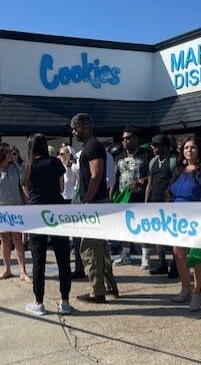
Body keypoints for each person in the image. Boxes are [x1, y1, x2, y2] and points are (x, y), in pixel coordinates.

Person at [70, 113, 118, 303]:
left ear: (86, 127)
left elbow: (96, 175)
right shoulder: (91, 147)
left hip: (94, 204)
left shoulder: (93, 146)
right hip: (95, 203)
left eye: (76, 128)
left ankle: (97, 292)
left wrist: (87, 201)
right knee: (100, 249)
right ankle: (110, 287)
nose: (73, 132)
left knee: (89, 249)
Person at [168, 135, 201, 312]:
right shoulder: (178, 171)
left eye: (193, 148)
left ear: (199, 151)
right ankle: (185, 287)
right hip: (177, 219)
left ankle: (198, 291)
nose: (189, 150)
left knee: (196, 255)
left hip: (197, 219)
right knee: (178, 253)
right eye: (186, 148)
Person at [23, 134, 72, 315]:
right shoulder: (55, 163)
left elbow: (26, 189)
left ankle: (39, 301)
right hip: (57, 211)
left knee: (38, 258)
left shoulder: (27, 165)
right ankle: (65, 301)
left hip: (36, 212)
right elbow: (61, 187)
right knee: (63, 257)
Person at [0, 142, 31, 282]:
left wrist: (26, 205)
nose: (12, 154)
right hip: (0, 211)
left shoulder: (16, 167)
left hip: (16, 209)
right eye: (9, 152)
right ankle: (7, 269)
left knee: (17, 239)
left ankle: (22, 271)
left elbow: (22, 187)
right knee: (4, 239)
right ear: (2, 154)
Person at [111, 126, 150, 267]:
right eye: (123, 139)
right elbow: (116, 178)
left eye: (128, 138)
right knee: (125, 227)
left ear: (136, 139)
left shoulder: (146, 154)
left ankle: (145, 256)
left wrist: (143, 181)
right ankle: (125, 255)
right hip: (123, 197)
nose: (125, 141)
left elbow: (154, 175)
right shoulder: (119, 156)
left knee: (142, 227)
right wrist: (111, 198)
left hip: (140, 197)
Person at [144, 134, 178, 277]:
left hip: (169, 202)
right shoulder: (152, 162)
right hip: (154, 201)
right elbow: (150, 184)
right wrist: (146, 203)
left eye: (156, 145)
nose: (153, 147)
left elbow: (176, 182)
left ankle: (176, 265)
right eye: (153, 145)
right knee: (158, 234)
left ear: (165, 146)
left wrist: (170, 200)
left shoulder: (173, 161)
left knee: (172, 234)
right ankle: (162, 263)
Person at [58, 145, 84, 278]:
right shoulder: (59, 168)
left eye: (62, 153)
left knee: (76, 238)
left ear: (69, 154)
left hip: (73, 202)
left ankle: (79, 268)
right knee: (63, 239)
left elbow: (78, 184)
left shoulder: (75, 167)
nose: (60, 155)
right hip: (62, 202)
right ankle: (65, 268)